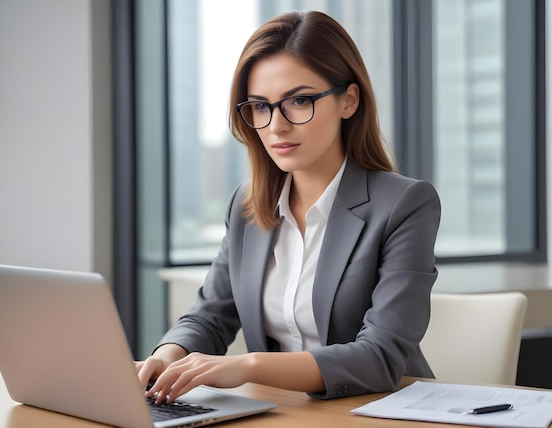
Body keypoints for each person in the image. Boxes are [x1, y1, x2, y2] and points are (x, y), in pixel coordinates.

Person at [136, 10, 441, 401]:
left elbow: (380, 358)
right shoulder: (246, 208)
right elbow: (210, 317)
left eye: (298, 100)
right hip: (285, 413)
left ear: (349, 100)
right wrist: (166, 357)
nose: (276, 125)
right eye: (260, 106)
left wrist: (246, 366)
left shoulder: (404, 204)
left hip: (379, 411)